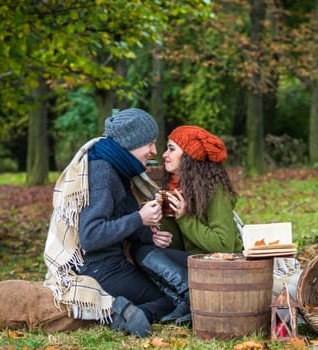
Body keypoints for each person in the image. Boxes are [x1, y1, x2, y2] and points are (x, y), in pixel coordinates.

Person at [43, 108, 190, 337]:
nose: (154, 151)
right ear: (131, 142)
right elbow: (90, 236)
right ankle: (121, 315)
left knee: (179, 280)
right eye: (149, 144)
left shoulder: (117, 167)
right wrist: (139, 218)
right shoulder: (102, 172)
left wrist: (149, 235)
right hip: (98, 268)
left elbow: (122, 218)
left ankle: (133, 311)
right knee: (169, 300)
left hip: (115, 261)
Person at [156, 125, 244, 254]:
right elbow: (179, 247)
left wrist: (185, 217)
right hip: (192, 264)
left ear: (188, 155)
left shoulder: (214, 188)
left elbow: (224, 247)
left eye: (171, 149)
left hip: (224, 266)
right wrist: (165, 214)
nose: (164, 154)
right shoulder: (174, 187)